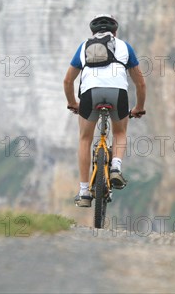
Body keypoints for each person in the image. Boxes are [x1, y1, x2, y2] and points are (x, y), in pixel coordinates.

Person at [63, 14, 146, 207]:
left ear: (93, 33)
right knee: (120, 131)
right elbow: (140, 84)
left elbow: (68, 81)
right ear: (115, 32)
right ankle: (115, 166)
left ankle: (84, 193)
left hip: (89, 95)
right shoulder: (125, 47)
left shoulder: (84, 47)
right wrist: (139, 107)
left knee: (85, 139)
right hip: (118, 95)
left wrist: (72, 103)